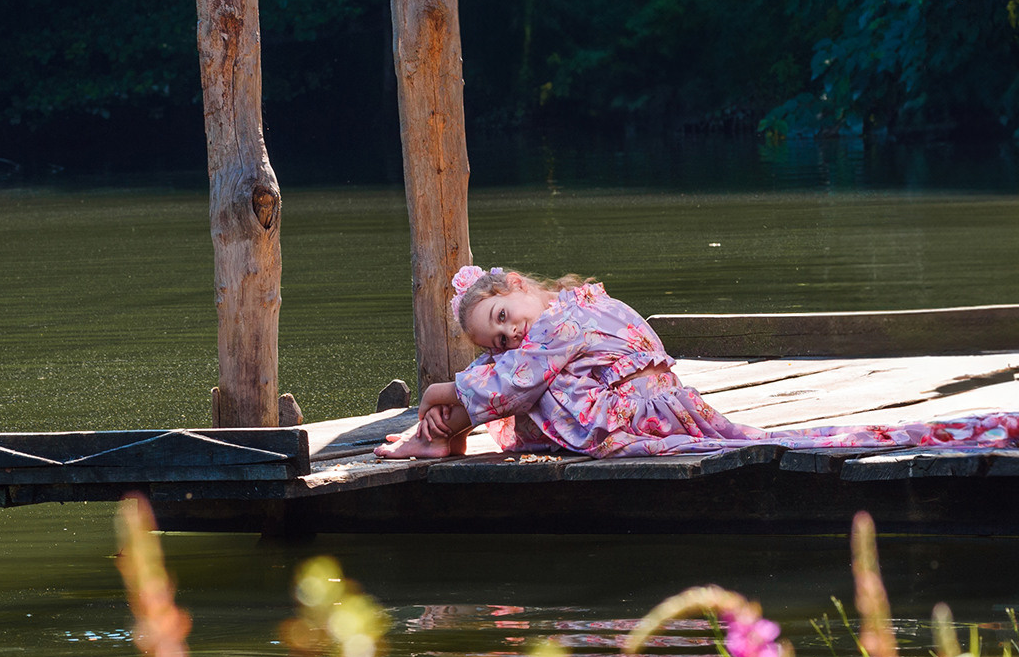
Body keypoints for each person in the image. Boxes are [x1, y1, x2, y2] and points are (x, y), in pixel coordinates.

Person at [375, 265, 1019, 459]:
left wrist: (437, 395)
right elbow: (514, 375)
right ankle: (441, 436)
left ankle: (436, 434)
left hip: (636, 415)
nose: (511, 333)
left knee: (515, 388)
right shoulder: (582, 304)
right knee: (517, 385)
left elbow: (515, 382)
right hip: (660, 404)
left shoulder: (558, 320)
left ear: (518, 288)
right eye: (497, 337)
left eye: (503, 317)